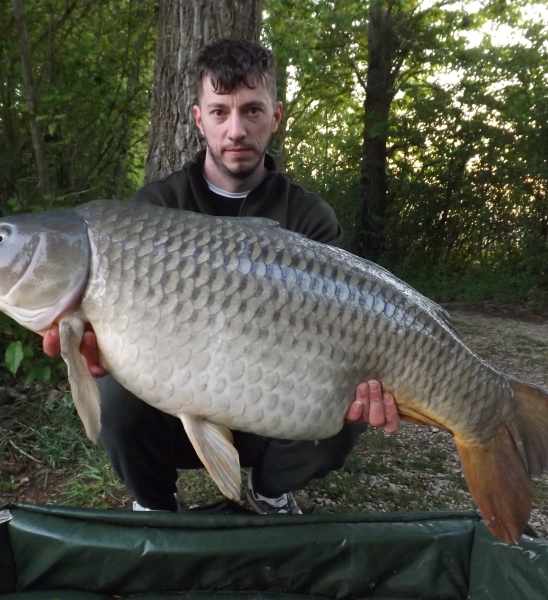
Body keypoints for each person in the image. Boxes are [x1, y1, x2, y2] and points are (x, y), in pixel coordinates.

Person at [43, 39, 400, 514]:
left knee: (349, 404)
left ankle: (270, 492)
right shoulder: (154, 210)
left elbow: (348, 325)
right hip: (172, 403)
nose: (236, 129)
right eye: (220, 112)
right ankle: (154, 504)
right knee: (113, 397)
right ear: (198, 118)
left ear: (275, 117)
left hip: (274, 406)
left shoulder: (309, 218)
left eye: (252, 111)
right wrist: (97, 352)